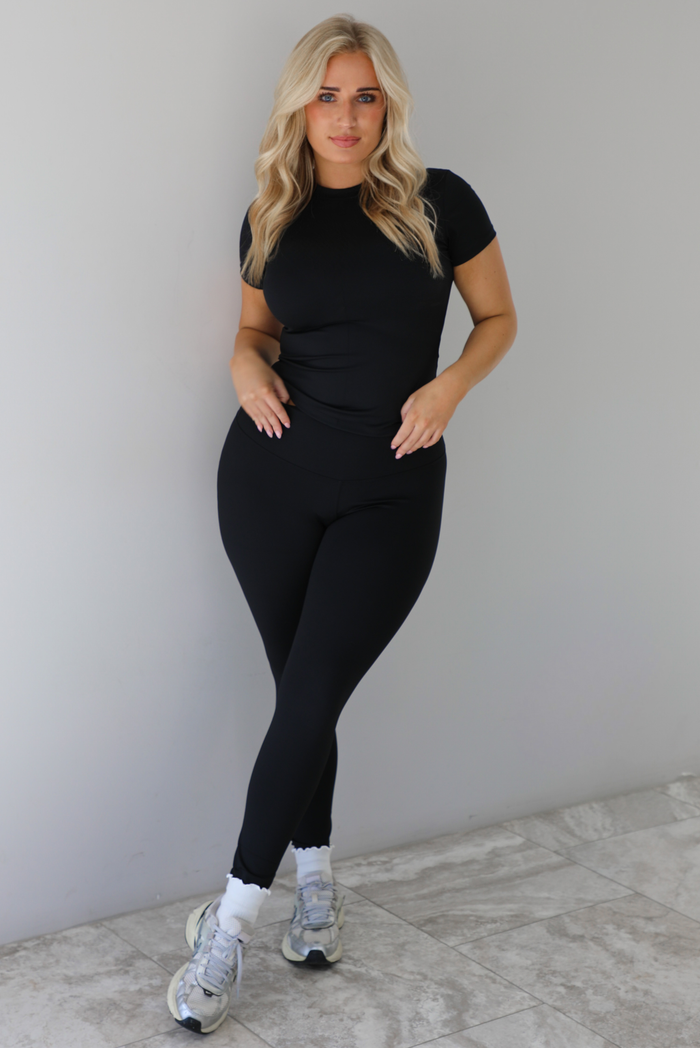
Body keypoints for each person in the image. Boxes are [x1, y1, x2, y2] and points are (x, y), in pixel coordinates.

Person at [167, 13, 517, 1035]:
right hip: (268, 480)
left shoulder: (438, 203)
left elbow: (497, 318)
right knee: (300, 698)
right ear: (298, 105)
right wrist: (241, 365)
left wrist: (449, 387)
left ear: (388, 104)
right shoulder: (268, 215)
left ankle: (229, 926)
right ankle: (314, 892)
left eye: (365, 95)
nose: (347, 116)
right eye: (327, 95)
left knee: (312, 688)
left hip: (391, 488)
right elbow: (251, 330)